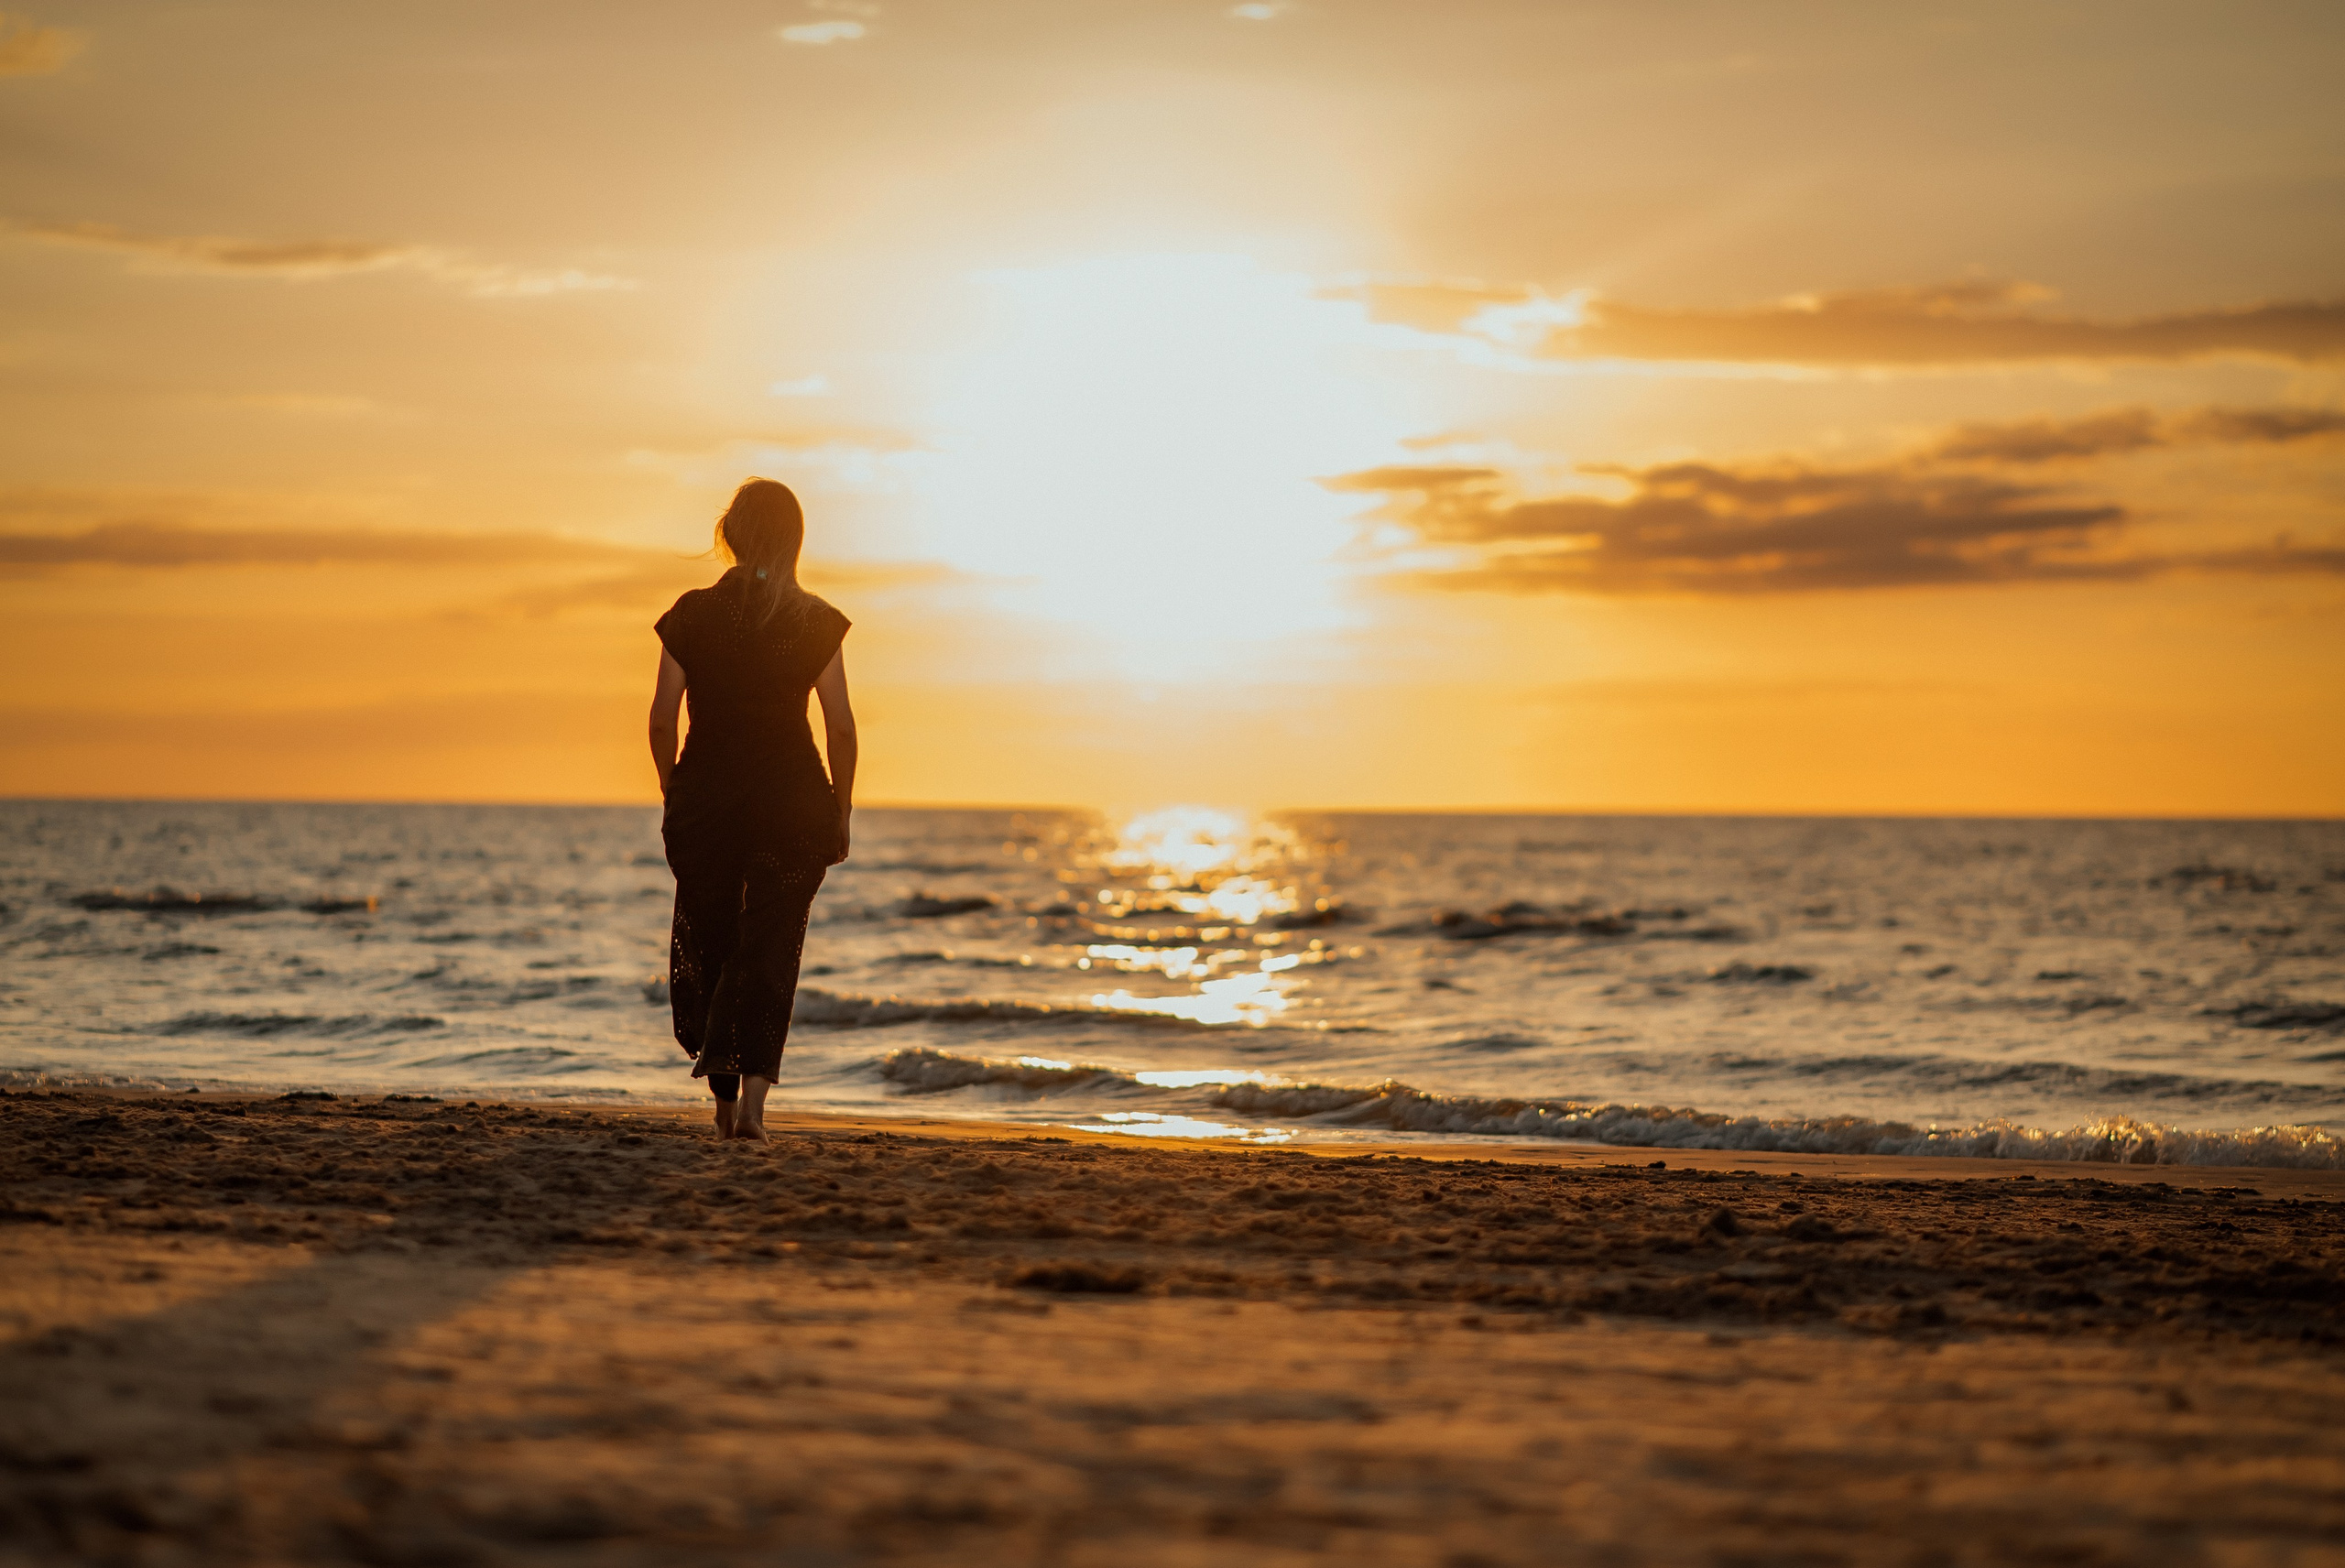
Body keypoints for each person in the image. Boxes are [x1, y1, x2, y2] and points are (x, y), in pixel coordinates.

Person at [648, 478, 856, 1140]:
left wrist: (673, 790)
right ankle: (755, 1114)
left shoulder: (690, 614)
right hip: (793, 805)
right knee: (770, 951)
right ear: (795, 539)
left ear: (731, 536)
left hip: (706, 803)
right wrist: (842, 809)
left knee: (711, 943)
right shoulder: (814, 620)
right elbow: (842, 728)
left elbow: (660, 721)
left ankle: (722, 1106)